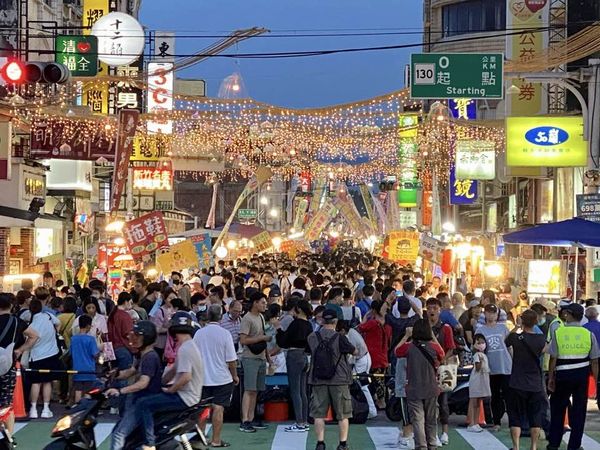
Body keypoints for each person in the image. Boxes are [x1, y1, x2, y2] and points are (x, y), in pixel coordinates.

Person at [133, 316, 204, 450]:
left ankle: (149, 443)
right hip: (192, 396)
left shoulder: (185, 349)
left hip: (184, 397)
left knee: (143, 403)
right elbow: (174, 370)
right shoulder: (190, 345)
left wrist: (171, 390)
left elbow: (186, 377)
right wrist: (160, 383)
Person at [547, 303, 599, 450]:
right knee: (579, 411)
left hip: (562, 376)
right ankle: (574, 445)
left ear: (568, 314)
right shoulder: (588, 334)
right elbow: (594, 361)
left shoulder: (559, 333)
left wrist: (551, 378)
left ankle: (554, 443)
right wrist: (596, 380)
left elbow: (553, 358)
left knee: (558, 410)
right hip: (581, 377)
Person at [306, 309, 356, 450]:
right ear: (335, 322)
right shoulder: (340, 338)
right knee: (343, 414)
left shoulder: (312, 337)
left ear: (322, 321)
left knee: (318, 413)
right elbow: (355, 351)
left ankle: (320, 443)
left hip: (318, 379)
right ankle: (342, 444)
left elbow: (308, 351)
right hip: (339, 379)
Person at [108, 321, 163, 450]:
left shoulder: (150, 357)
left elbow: (143, 383)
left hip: (142, 401)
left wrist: (120, 391)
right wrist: (115, 375)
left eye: (138, 336)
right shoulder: (141, 354)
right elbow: (131, 371)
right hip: (136, 400)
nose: (133, 339)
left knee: (119, 434)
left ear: (146, 338)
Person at [395, 318, 445, 450]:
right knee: (431, 420)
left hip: (414, 389)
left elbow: (396, 351)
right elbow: (442, 354)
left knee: (417, 420)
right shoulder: (434, 347)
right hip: (431, 388)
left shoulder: (409, 348)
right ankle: (432, 444)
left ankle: (421, 446)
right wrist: (433, 337)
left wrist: (406, 335)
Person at [194, 305, 239, 447]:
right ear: (221, 316)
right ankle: (216, 440)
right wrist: (235, 376)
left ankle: (200, 439)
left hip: (203, 378)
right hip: (222, 377)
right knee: (219, 408)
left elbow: (194, 356)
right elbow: (231, 360)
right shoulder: (225, 334)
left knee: (202, 409)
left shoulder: (199, 333)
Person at [504, 309, 546, 450]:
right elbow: (547, 350)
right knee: (535, 416)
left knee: (515, 416)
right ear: (536, 322)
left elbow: (506, 341)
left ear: (522, 320)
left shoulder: (516, 338)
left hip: (517, 382)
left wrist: (517, 326)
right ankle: (533, 446)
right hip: (535, 383)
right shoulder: (541, 339)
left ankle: (516, 446)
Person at [0, 293, 37, 436]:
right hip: (8, 366)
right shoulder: (16, 322)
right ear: (11, 305)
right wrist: (20, 350)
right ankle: (8, 437)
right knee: (6, 403)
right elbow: (34, 336)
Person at [275, 299, 313, 432]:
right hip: (304, 356)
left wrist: (278, 329)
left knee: (295, 390)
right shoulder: (309, 325)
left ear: (299, 310)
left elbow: (283, 342)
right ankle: (304, 420)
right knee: (303, 390)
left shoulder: (295, 324)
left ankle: (299, 422)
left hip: (294, 355)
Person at [475, 303, 512, 432]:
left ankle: (513, 421)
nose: (490, 315)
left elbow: (509, 347)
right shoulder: (480, 330)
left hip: (506, 366)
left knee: (509, 395)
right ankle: (496, 421)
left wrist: (513, 361)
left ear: (497, 314)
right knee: (494, 396)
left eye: (493, 312)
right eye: (488, 312)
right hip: (490, 368)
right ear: (484, 314)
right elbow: (477, 348)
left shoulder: (503, 328)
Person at [239, 292, 271, 433]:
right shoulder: (247, 318)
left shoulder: (261, 317)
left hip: (261, 357)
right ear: (255, 303)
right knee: (249, 389)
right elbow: (243, 340)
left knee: (256, 390)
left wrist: (269, 358)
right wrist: (261, 338)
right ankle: (245, 420)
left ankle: (251, 418)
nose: (265, 305)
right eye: (262, 302)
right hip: (250, 357)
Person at [425, 297, 455, 445]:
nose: (432, 311)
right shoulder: (423, 326)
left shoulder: (446, 328)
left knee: (443, 402)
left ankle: (445, 432)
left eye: (435, 308)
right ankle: (431, 433)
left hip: (444, 368)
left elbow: (451, 347)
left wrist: (443, 359)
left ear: (440, 310)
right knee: (429, 402)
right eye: (429, 308)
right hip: (427, 368)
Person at [28, 298, 62, 419]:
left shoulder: (31, 324)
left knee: (35, 383)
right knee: (47, 382)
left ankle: (33, 409)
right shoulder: (48, 316)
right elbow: (58, 323)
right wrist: (55, 333)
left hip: (36, 355)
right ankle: (46, 409)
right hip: (51, 353)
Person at [337, 320, 378, 420]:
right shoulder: (351, 331)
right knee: (362, 385)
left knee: (362, 386)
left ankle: (372, 410)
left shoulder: (350, 337)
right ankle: (369, 409)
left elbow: (352, 354)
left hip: (362, 360)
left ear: (342, 330)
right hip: (362, 358)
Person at [358, 299, 392, 410]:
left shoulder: (373, 323)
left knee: (374, 381)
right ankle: (381, 401)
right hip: (382, 357)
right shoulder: (385, 324)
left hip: (374, 357)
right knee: (380, 381)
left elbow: (360, 328)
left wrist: (365, 317)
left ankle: (380, 402)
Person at [107, 292, 135, 413]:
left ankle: (113, 405)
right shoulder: (125, 316)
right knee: (123, 377)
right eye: (131, 302)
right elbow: (128, 334)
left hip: (111, 349)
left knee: (114, 376)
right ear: (126, 301)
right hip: (123, 349)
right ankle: (122, 406)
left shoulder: (112, 315)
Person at [71, 315, 101, 403]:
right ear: (88, 326)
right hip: (89, 369)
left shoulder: (73, 339)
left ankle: (77, 406)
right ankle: (87, 408)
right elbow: (95, 354)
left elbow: (71, 352)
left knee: (78, 390)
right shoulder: (91, 339)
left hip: (76, 368)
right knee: (88, 391)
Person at [467, 334, 491, 433]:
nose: (481, 344)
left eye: (482, 342)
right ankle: (471, 423)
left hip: (483, 379)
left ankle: (476, 422)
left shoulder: (484, 355)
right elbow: (477, 368)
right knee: (473, 402)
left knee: (478, 402)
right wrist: (480, 362)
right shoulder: (477, 355)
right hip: (476, 379)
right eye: (478, 343)